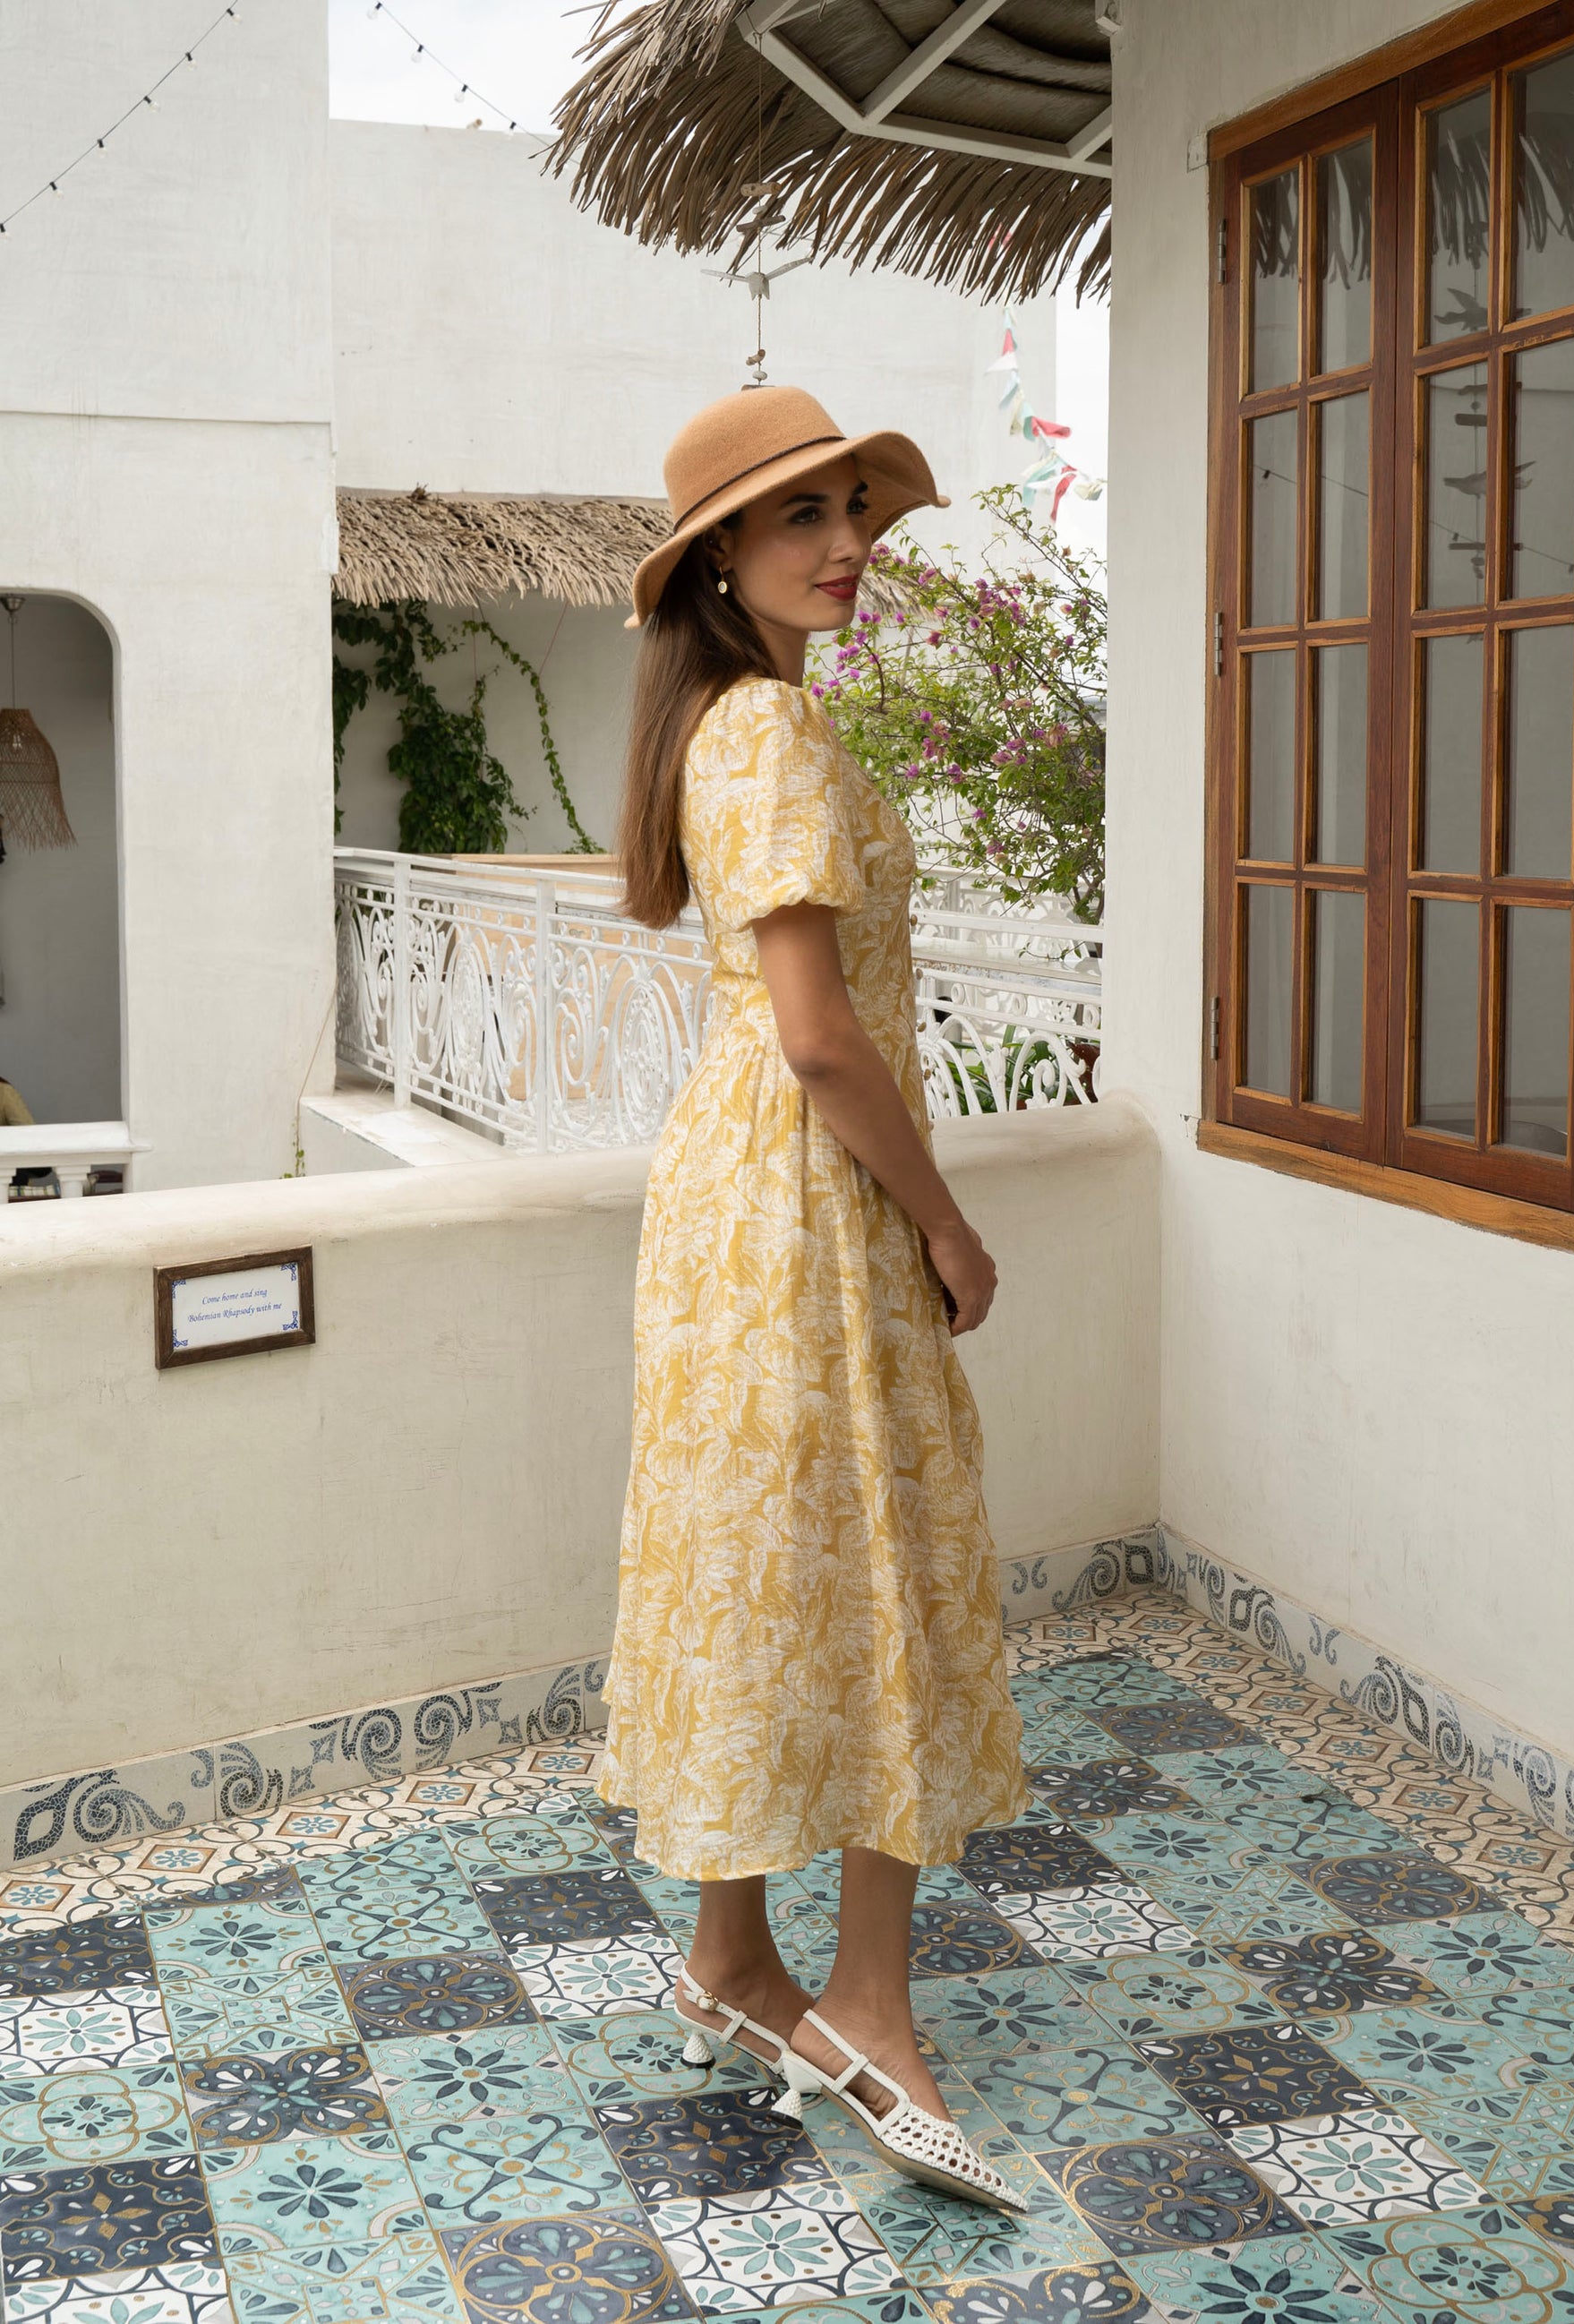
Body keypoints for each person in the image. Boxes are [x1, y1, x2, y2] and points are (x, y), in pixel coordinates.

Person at [597, 385, 1031, 2211]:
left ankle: (732, 1958)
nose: (847, 543)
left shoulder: (716, 715)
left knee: (765, 1561)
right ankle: (865, 2003)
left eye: (854, 509)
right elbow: (821, 1033)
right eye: (804, 522)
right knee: (878, 1571)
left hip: (724, 1195)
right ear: (720, 557)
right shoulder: (766, 720)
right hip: (805, 1188)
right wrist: (947, 1223)